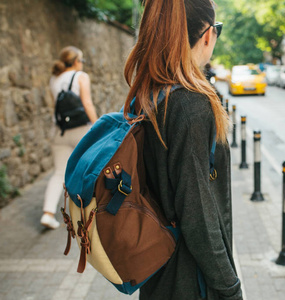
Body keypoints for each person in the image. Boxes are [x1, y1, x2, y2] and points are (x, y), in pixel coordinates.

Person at [122, 0, 242, 299]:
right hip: (191, 281)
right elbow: (198, 216)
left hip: (157, 270)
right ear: (206, 34)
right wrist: (230, 288)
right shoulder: (192, 106)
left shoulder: (149, 93)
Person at [41, 46, 98, 229]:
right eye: (81, 60)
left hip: (60, 131)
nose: (82, 64)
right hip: (81, 130)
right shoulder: (81, 77)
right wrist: (98, 126)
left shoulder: (54, 79)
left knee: (59, 173)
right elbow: (87, 103)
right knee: (89, 169)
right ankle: (88, 213)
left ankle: (48, 214)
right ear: (75, 61)